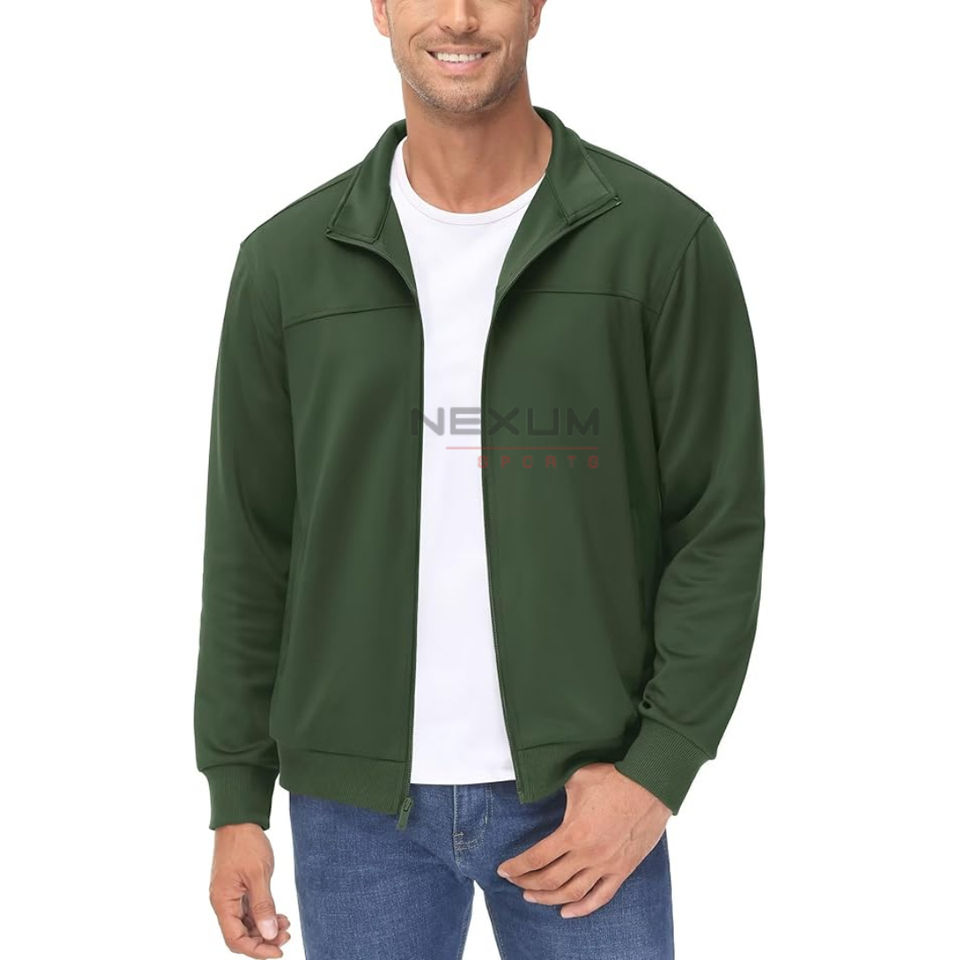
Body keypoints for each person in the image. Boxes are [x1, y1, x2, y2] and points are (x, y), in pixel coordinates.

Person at [193, 1, 765, 957]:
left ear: (537, 5)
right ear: (380, 9)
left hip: (587, 801)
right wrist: (236, 800)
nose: (459, 17)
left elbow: (718, 524)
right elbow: (251, 546)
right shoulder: (286, 266)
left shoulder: (660, 244)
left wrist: (656, 773)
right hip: (352, 811)